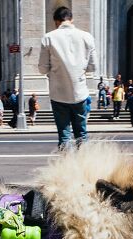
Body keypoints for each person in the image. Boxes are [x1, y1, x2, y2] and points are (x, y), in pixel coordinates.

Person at [38, 6, 96, 149]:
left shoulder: (48, 38)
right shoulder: (87, 37)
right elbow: (93, 67)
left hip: (58, 94)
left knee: (64, 135)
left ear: (56, 22)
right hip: (79, 93)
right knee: (81, 134)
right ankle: (85, 166)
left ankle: (66, 167)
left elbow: (42, 68)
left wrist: (55, 69)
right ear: (71, 19)